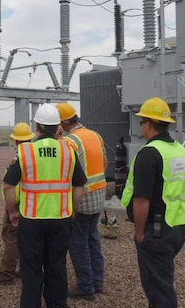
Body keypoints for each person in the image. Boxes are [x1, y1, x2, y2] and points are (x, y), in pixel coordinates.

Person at [3, 103, 86, 308]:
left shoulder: (25, 151)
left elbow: (8, 186)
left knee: (31, 271)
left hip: (31, 221)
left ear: (37, 126)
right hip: (60, 221)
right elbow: (79, 187)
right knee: (56, 268)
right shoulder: (68, 150)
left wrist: (12, 211)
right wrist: (73, 211)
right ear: (58, 126)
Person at [120, 97, 185, 308]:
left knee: (159, 289)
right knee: (162, 279)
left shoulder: (148, 154)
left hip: (157, 230)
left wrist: (140, 233)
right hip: (178, 225)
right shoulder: (179, 149)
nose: (141, 125)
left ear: (149, 124)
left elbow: (142, 199)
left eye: (142, 121)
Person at [56, 102, 108, 301]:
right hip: (99, 194)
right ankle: (98, 281)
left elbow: (66, 174)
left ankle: (86, 287)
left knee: (77, 243)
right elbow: (104, 163)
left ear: (62, 124)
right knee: (92, 238)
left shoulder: (69, 142)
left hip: (82, 197)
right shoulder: (95, 135)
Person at [0, 122, 35, 286]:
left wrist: (10, 209)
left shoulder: (19, 157)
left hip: (17, 202)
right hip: (30, 202)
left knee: (11, 238)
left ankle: (6, 273)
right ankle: (24, 269)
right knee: (26, 238)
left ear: (16, 140)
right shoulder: (33, 154)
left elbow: (10, 186)